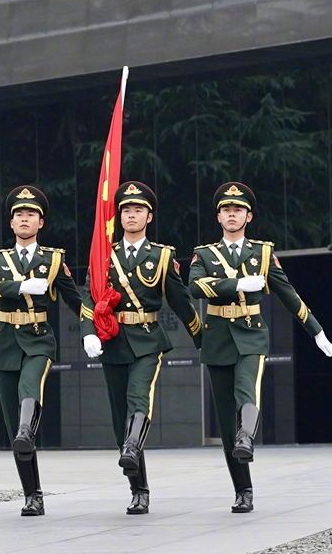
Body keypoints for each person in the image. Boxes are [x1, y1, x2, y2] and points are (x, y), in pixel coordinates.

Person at [188, 182, 332, 513]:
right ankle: (243, 489)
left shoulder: (263, 253)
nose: (231, 214)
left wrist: (316, 331)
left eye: (237, 210)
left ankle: (247, 437)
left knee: (247, 389)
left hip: (252, 333)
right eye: (226, 210)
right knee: (226, 424)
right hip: (217, 338)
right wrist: (237, 283)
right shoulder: (204, 254)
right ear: (219, 217)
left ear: (248, 216)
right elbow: (195, 286)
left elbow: (288, 294)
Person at [79, 180, 202, 515]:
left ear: (149, 216)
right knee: (121, 417)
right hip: (112, 341)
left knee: (138, 398)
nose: (132, 215)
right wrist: (88, 331)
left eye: (138, 210)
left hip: (148, 340)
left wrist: (202, 339)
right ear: (119, 217)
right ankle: (139, 489)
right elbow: (90, 300)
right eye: (126, 210)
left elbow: (180, 302)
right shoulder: (105, 256)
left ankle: (132, 447)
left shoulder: (162, 256)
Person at [0, 185, 83, 516]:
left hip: (38, 340)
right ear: (11, 223)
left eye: (30, 214)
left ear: (40, 223)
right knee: (12, 425)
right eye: (19, 214)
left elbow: (76, 300)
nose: (24, 219)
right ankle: (32, 494)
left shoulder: (53, 260)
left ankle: (27, 429)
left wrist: (96, 329)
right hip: (5, 343)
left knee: (29, 388)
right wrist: (17, 286)